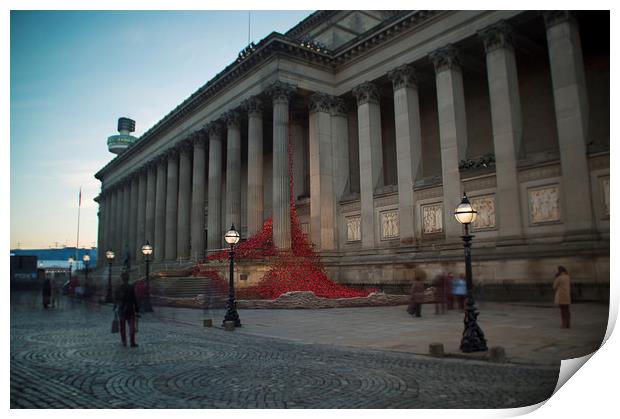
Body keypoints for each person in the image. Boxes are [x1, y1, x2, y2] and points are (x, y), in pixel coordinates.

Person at [114, 272, 140, 347]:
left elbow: (116, 299)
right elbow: (134, 298)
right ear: (128, 279)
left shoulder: (118, 288)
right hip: (130, 309)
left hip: (121, 309)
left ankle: (124, 341)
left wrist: (116, 306)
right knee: (131, 326)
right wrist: (137, 308)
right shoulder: (131, 287)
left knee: (122, 327)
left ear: (122, 279)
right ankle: (132, 342)